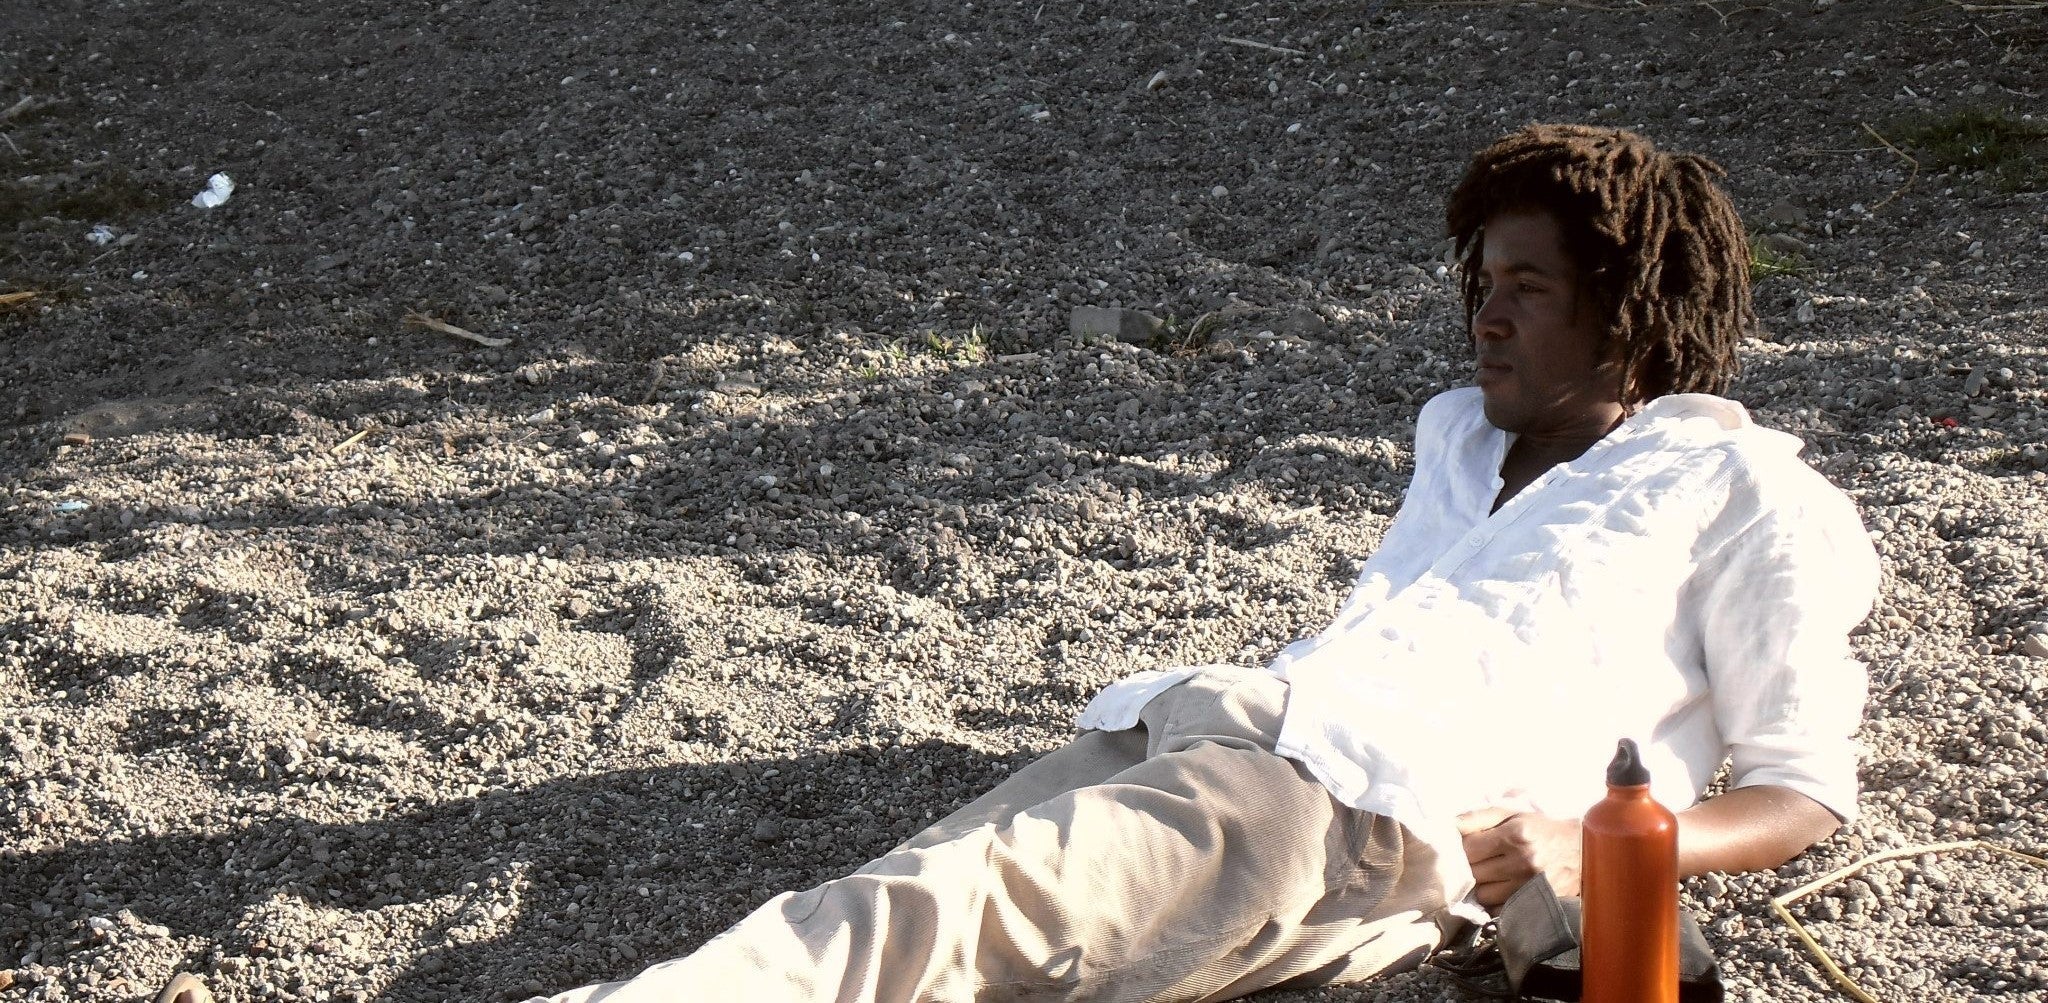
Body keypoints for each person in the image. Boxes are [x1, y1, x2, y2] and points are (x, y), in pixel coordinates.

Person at [156, 124, 1879, 1003]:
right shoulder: (1458, 442)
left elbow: (1802, 785)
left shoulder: (1741, 491)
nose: (1481, 311)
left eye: (1521, 283)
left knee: (920, 928)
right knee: (881, 920)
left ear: (1630, 308)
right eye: (1474, 282)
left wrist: (1597, 834)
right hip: (1212, 722)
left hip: (1344, 809)